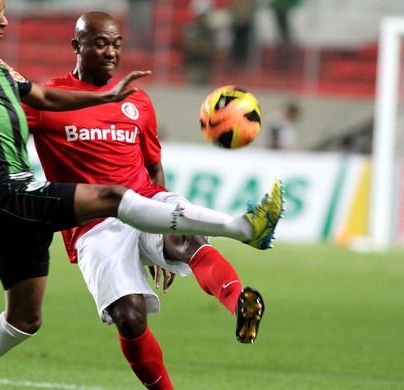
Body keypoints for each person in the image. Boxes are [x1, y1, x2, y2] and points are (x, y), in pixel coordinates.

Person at [0, 1, 283, 388]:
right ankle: (239, 228)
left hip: (124, 201)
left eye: (117, 44)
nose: (3, 21)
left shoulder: (122, 98)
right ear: (77, 46)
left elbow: (142, 156)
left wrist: (111, 101)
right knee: (125, 304)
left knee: (30, 317)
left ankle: (239, 285)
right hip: (55, 213)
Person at [23, 11, 276, 389]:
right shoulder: (47, 100)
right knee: (130, 315)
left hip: (145, 198)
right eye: (100, 43)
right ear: (77, 46)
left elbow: (154, 167)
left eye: (117, 44)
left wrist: (159, 230)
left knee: (186, 240)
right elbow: (0, 131)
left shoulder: (138, 101)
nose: (110, 52)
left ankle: (240, 300)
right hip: (93, 223)